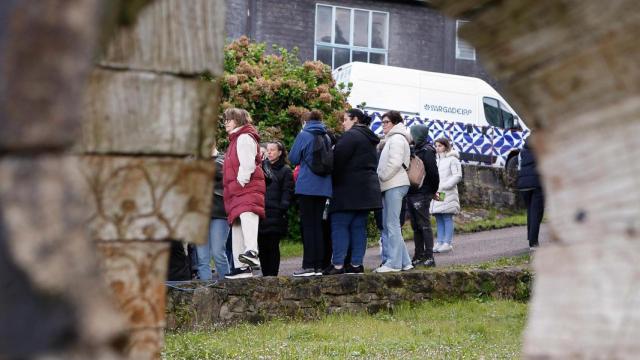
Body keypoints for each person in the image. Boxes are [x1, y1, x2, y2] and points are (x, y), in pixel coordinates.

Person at [323, 109, 382, 275]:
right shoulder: (369, 138)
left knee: (339, 225)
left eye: (345, 119)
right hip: (366, 189)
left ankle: (338, 264)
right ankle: (356, 264)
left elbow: (337, 161)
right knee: (358, 227)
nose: (343, 123)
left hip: (347, 189)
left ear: (355, 119)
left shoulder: (351, 136)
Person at [222, 108, 266, 279]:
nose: (226, 122)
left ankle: (252, 253)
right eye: (225, 119)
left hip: (245, 188)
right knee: (237, 225)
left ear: (238, 120)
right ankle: (241, 268)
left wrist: (240, 182)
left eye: (230, 119)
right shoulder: (234, 140)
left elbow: (247, 165)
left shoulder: (244, 137)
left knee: (248, 216)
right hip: (235, 192)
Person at [288, 110, 332, 277]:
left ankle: (308, 266)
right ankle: (319, 265)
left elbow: (292, 158)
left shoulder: (304, 135)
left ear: (305, 121)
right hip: (324, 187)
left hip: (307, 186)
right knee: (319, 227)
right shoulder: (326, 136)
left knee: (308, 226)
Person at [374, 110, 413, 273]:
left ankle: (394, 264)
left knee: (391, 224)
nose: (383, 125)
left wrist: (382, 176)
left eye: (386, 122)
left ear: (396, 123)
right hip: (393, 184)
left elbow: (395, 162)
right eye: (382, 122)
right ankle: (405, 262)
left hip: (394, 183)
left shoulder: (396, 138)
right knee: (391, 224)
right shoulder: (393, 138)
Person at [258, 141, 294, 276]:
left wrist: (282, 207)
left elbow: (288, 191)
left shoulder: (285, 170)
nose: (270, 152)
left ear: (280, 152)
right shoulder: (261, 168)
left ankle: (273, 274)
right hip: (262, 211)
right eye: (268, 150)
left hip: (276, 213)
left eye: (273, 150)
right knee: (262, 245)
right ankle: (265, 273)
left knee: (272, 245)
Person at [406, 125, 439, 267]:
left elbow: (433, 174)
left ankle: (429, 256)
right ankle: (418, 255)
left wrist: (431, 191)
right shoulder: (414, 149)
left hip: (422, 193)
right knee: (416, 226)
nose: (411, 136)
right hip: (412, 192)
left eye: (413, 133)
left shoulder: (427, 151)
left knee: (424, 225)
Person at [196, 146, 231, 280]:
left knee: (218, 254)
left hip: (219, 212)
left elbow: (218, 171)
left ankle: (228, 289)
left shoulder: (223, 158)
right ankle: (206, 291)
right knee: (202, 258)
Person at [431, 137, 462, 253]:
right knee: (438, 216)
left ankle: (447, 243)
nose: (437, 148)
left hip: (446, 191)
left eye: (440, 146)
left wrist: (445, 186)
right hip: (438, 192)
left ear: (446, 146)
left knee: (446, 216)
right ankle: (440, 241)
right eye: (436, 146)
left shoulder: (453, 159)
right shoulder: (437, 160)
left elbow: (457, 176)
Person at [517, 137, 544, 250]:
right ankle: (533, 243)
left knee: (530, 211)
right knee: (536, 213)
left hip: (523, 185)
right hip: (537, 183)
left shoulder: (522, 151)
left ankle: (530, 237)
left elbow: (518, 167)